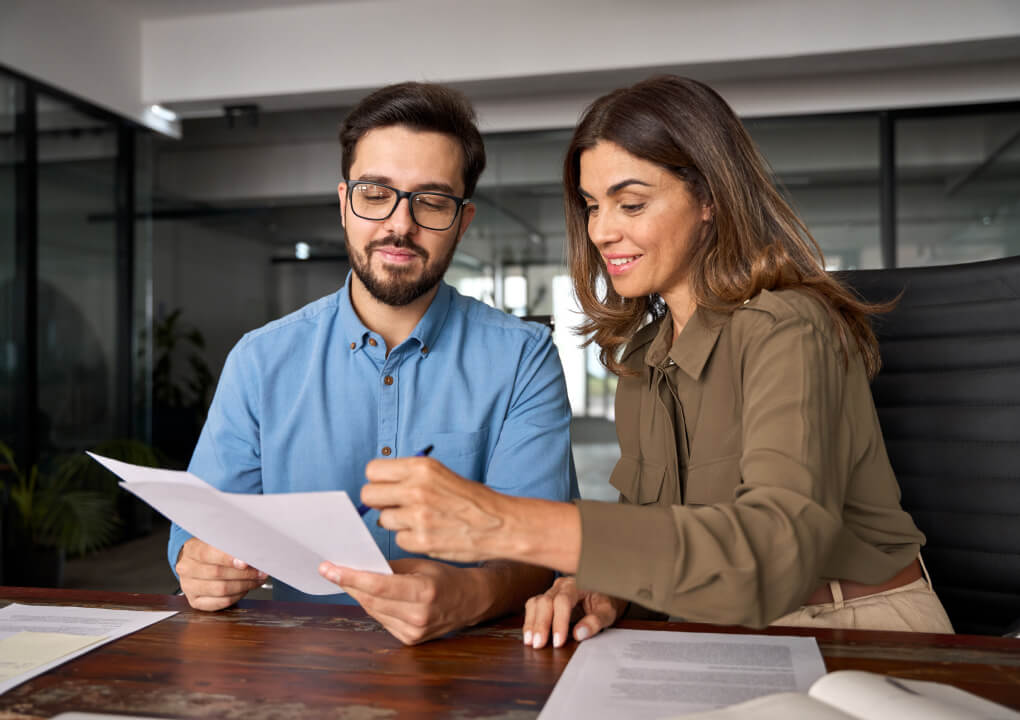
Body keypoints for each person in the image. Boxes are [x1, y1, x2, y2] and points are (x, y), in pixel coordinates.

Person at [355, 75, 955, 649]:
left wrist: (508, 524)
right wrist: (606, 587)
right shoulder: (644, 359)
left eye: (631, 203)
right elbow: (660, 533)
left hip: (855, 627)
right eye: (592, 206)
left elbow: (773, 554)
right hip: (720, 632)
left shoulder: (790, 327)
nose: (602, 231)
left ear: (709, 199)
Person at [168, 82, 577, 645]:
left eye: (431, 201)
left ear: (463, 220)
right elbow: (196, 530)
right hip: (301, 671)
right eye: (376, 193)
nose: (400, 225)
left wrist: (468, 595)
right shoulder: (261, 360)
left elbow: (543, 551)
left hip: (474, 669)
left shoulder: (522, 359)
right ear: (344, 203)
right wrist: (197, 563)